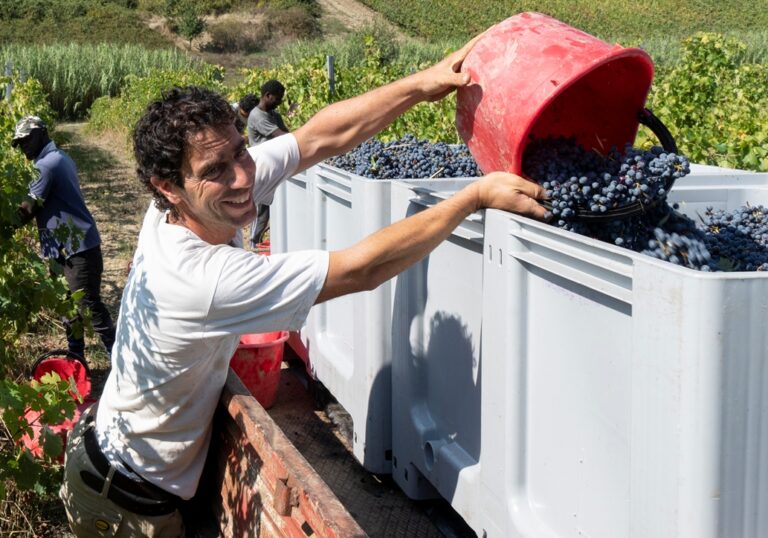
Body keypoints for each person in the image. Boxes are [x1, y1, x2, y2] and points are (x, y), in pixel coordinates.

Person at [59, 33, 546, 537]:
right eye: (216, 171)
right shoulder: (200, 279)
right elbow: (360, 269)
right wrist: (472, 199)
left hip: (108, 452)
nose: (243, 177)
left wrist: (421, 84)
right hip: (127, 504)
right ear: (168, 187)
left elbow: (316, 139)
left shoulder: (176, 210)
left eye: (241, 152)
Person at [12, 116, 116, 360]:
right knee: (68, 308)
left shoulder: (46, 165)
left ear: (42, 133)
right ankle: (76, 359)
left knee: (88, 307)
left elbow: (27, 210)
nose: (24, 146)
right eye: (19, 143)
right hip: (64, 249)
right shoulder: (59, 157)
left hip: (76, 250)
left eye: (27, 139)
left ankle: (121, 361)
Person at [247, 79, 293, 248]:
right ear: (267, 96)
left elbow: (287, 135)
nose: (280, 101)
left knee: (269, 206)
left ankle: (260, 241)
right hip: (261, 166)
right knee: (261, 208)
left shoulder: (275, 115)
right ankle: (253, 242)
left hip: (276, 165)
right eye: (278, 98)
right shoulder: (257, 115)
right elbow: (282, 135)